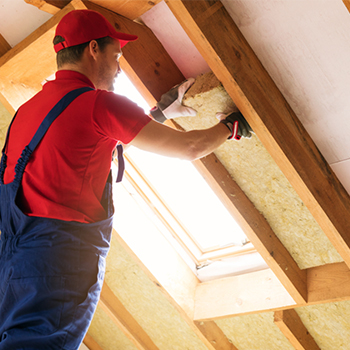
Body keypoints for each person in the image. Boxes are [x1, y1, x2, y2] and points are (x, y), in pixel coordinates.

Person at [0, 9, 252, 350]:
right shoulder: (100, 105)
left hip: (12, 264)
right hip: (57, 264)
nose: (119, 68)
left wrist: (157, 115)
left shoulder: (28, 109)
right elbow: (189, 147)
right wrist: (230, 127)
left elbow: (85, 153)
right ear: (93, 49)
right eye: (116, 55)